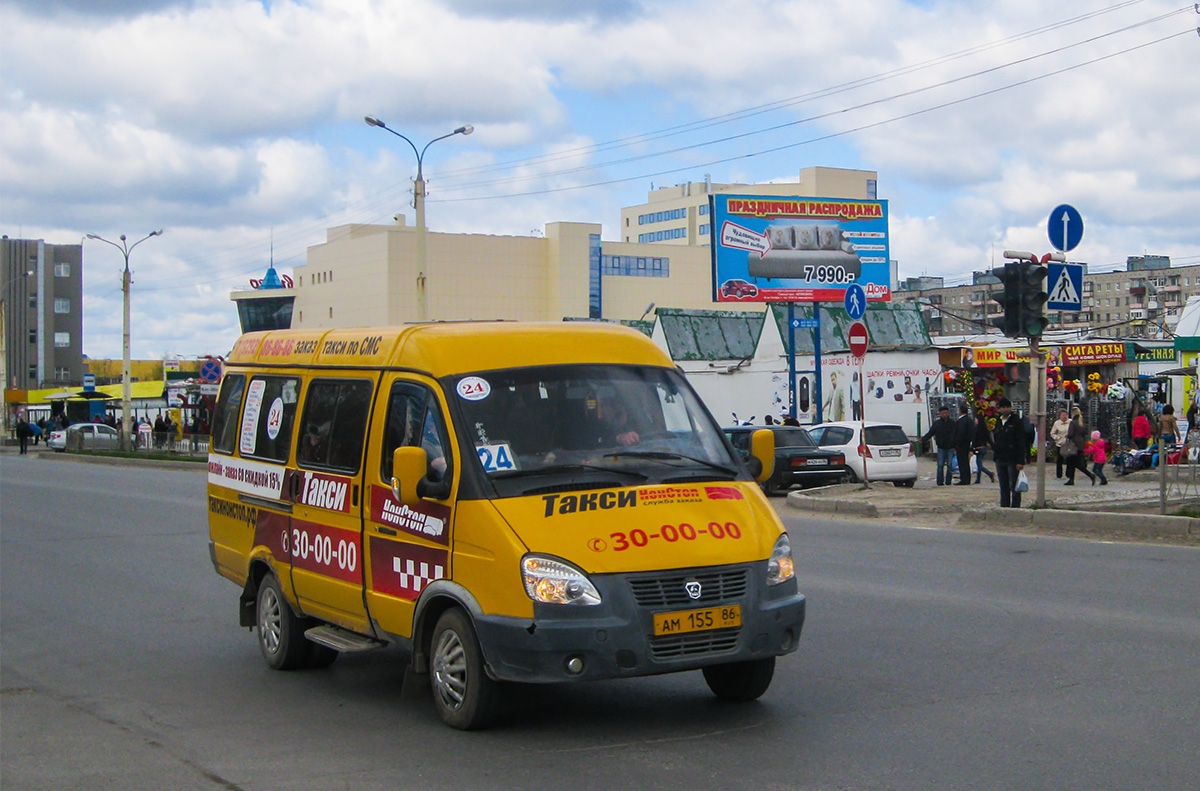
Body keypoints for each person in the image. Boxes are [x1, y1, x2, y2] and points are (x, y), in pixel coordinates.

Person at [992, 398, 1033, 508]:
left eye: (1007, 407)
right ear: (1000, 409)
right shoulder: (998, 421)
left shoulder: (1016, 421)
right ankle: (1004, 507)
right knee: (1003, 486)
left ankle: (1015, 507)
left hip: (1013, 459)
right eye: (1003, 407)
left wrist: (1021, 460)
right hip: (1000, 458)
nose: (1005, 409)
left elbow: (1021, 441)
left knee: (1014, 485)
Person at [921, 405, 958, 486]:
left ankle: (948, 481)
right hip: (941, 447)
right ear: (940, 413)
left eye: (946, 412)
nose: (945, 414)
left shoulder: (952, 423)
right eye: (943, 413)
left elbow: (956, 435)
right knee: (940, 465)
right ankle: (940, 482)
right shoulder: (937, 424)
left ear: (948, 413)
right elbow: (930, 433)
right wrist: (922, 440)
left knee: (949, 465)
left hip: (950, 447)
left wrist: (956, 445)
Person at [1064, 407, 1096, 486]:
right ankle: (1071, 479)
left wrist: (1067, 436)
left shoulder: (1073, 422)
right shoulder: (1082, 422)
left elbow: (1071, 434)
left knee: (1075, 463)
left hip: (1074, 445)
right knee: (1074, 463)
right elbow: (1084, 433)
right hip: (1081, 444)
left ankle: (1090, 475)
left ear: (1073, 413)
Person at [972, 411, 995, 483]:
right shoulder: (985, 429)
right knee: (979, 464)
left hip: (978, 448)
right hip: (984, 448)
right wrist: (993, 447)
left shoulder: (976, 429)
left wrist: (972, 448)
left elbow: (974, 439)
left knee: (979, 465)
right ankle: (979, 478)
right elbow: (989, 439)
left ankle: (988, 474)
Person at [954, 404, 974, 485]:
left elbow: (960, 433)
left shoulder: (962, 421)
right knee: (966, 463)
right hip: (967, 444)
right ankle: (967, 478)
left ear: (960, 411)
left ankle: (964, 479)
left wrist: (957, 443)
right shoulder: (969, 420)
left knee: (962, 463)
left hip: (962, 445)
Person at [1050, 409, 1071, 478]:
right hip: (1060, 444)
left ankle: (1068, 474)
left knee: (1069, 460)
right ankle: (1059, 475)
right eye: (1063, 415)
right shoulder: (1057, 423)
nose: (1064, 416)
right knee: (1059, 460)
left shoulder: (1070, 422)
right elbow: (1052, 433)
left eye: (1066, 415)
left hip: (1068, 444)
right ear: (1060, 416)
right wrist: (1057, 438)